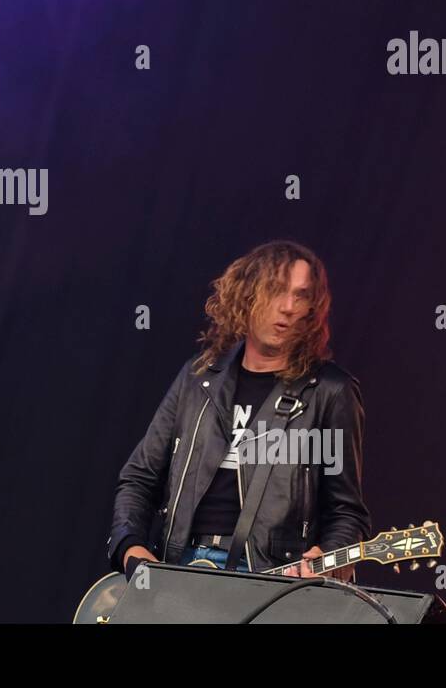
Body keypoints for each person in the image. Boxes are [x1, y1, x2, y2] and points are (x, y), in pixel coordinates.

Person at [108, 241, 371, 579]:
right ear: (246, 294)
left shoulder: (329, 392)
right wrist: (130, 547)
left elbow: (347, 513)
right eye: (276, 290)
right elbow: (139, 477)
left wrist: (328, 561)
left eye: (302, 296)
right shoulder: (199, 378)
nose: (289, 307)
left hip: (267, 576)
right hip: (177, 567)